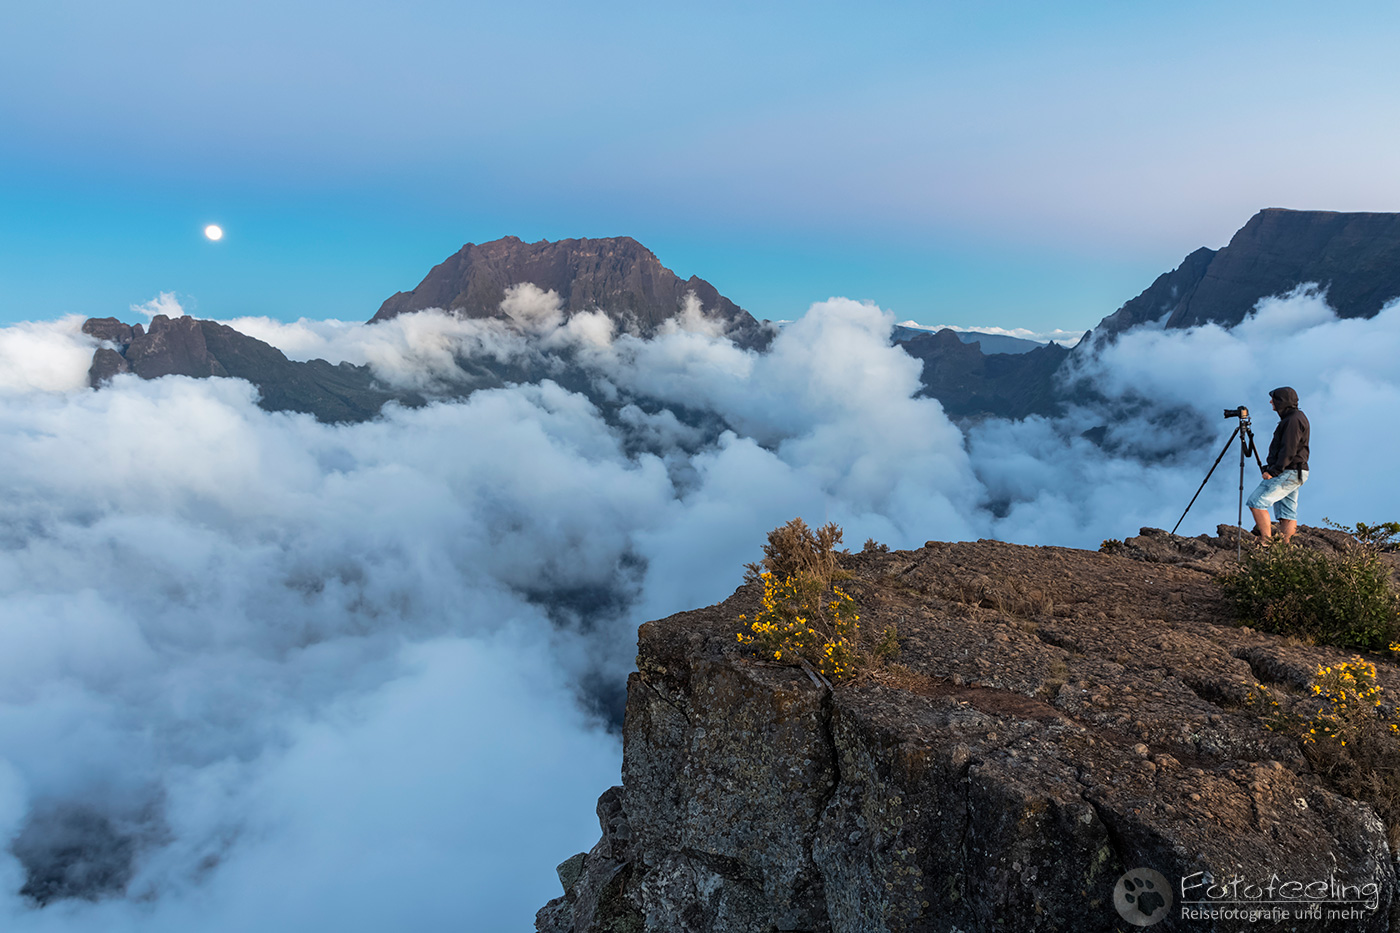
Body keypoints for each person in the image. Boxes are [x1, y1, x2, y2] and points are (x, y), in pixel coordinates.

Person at [1247, 386, 1310, 545]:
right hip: (1296, 471)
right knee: (1287, 512)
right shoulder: (1295, 418)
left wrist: (1274, 471)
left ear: (1282, 401)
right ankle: (1284, 548)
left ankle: (1266, 543)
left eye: (1274, 399)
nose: (1271, 402)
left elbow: (1288, 449)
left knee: (1256, 502)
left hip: (1288, 471)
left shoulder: (1292, 421)